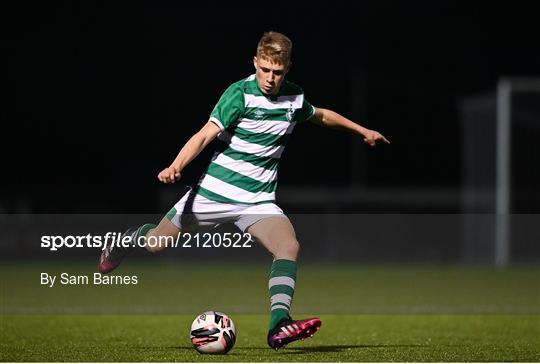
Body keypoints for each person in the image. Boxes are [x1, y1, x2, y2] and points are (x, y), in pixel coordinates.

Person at [98, 31, 389, 350]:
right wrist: (176, 165)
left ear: (288, 68)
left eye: (277, 72)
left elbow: (320, 115)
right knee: (156, 243)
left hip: (258, 200)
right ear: (256, 62)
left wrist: (362, 130)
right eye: (265, 69)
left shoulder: (293, 97)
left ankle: (279, 325)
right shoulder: (239, 94)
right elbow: (204, 135)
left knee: (288, 247)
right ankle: (124, 239)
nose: (269, 78)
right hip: (214, 193)